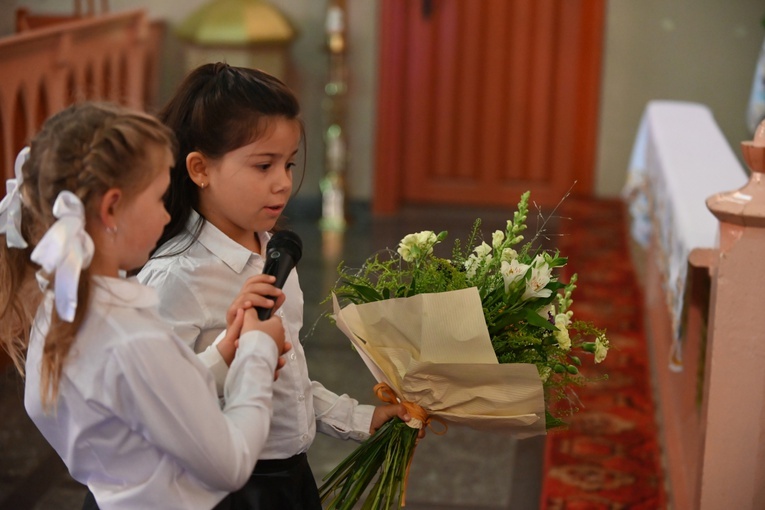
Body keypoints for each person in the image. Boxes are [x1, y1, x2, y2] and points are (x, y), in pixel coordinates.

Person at [137, 62, 418, 509]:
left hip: (289, 474)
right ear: (200, 168)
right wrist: (233, 353)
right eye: (263, 165)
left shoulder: (273, 252)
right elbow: (155, 406)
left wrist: (357, 419)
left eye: (287, 164)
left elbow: (288, 379)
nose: (283, 182)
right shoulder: (176, 276)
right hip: (226, 489)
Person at [0, 102, 291, 510]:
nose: (166, 212)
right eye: (157, 197)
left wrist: (226, 353)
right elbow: (230, 464)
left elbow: (139, 396)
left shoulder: (59, 301)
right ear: (112, 208)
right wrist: (258, 352)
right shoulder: (130, 336)